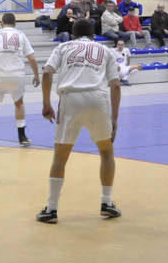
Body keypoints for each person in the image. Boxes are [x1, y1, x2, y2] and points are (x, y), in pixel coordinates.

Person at [37, 18, 122, 224]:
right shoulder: (105, 50)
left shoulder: (64, 47)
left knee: (60, 156)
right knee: (106, 152)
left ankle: (52, 209)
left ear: (73, 35)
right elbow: (116, 85)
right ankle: (106, 203)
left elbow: (47, 72)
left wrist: (46, 103)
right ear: (94, 36)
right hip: (97, 98)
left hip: (70, 98)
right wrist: (114, 118)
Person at [0, 13, 40, 148]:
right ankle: (22, 136)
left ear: (1, 23)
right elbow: (32, 58)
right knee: (19, 103)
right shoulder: (21, 35)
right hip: (17, 75)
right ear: (15, 23)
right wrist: (36, 75)